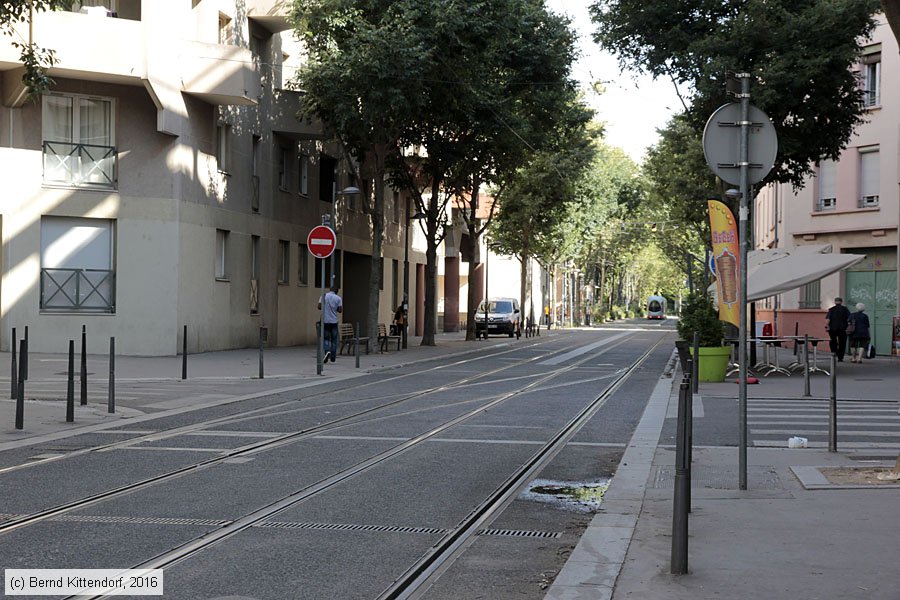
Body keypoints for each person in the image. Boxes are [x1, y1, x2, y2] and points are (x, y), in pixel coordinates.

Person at [317, 284, 342, 362]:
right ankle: (333, 357)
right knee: (334, 339)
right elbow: (340, 310)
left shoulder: (324, 296)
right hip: (334, 321)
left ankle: (327, 350)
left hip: (325, 321)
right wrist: (335, 308)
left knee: (325, 338)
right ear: (337, 291)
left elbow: (319, 306)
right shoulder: (338, 298)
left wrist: (325, 307)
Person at [825, 296, 851, 362]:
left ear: (835, 302)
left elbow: (828, 319)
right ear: (841, 302)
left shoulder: (831, 309)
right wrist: (848, 325)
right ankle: (840, 357)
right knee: (842, 342)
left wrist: (826, 326)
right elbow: (849, 318)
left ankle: (834, 353)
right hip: (842, 328)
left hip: (833, 328)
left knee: (833, 341)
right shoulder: (845, 309)